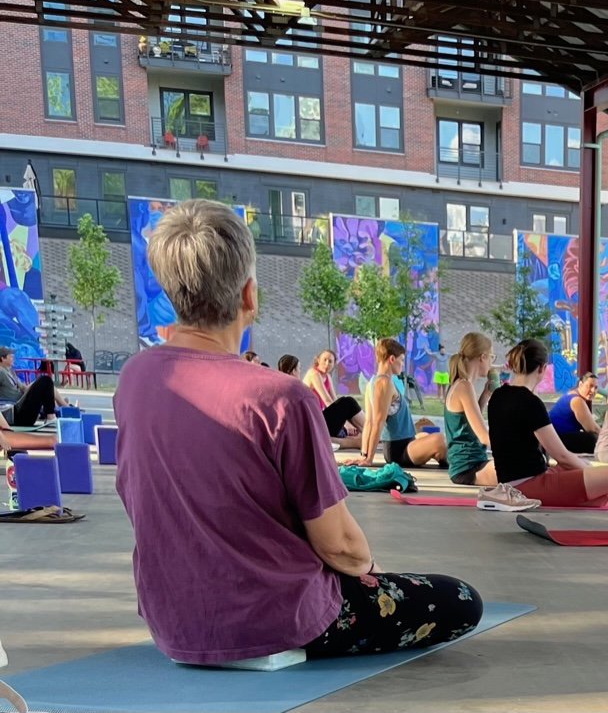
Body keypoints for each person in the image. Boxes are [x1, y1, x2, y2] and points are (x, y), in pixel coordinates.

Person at [113, 199, 482, 663]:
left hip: (173, 619)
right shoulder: (279, 397)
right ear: (249, 295)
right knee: (461, 599)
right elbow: (340, 545)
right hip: (278, 619)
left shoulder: (135, 379)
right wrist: (370, 575)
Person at [487, 339, 608, 509]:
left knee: (594, 484)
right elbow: (562, 456)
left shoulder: (498, 396)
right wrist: (588, 471)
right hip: (528, 485)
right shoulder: (530, 402)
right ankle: (583, 496)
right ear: (542, 368)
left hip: (512, 481)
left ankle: (584, 498)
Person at [353, 339, 448, 470]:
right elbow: (377, 423)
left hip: (404, 444)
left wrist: (364, 454)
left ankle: (441, 456)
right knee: (440, 440)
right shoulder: (384, 384)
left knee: (425, 436)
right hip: (400, 450)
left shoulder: (373, 382)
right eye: (401, 360)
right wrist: (368, 459)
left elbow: (369, 422)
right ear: (392, 359)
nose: (402, 364)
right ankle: (449, 461)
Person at [443, 333, 498, 487]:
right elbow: (484, 437)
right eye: (491, 357)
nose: (491, 364)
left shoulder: (461, 385)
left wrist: (486, 395)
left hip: (471, 464)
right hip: (468, 468)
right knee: (522, 469)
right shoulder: (464, 386)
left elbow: (468, 424)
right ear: (482, 357)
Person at [303, 350, 367, 439]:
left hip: (320, 418)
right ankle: (370, 431)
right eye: (324, 360)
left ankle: (368, 432)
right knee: (348, 402)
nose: (327, 364)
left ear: (334, 364)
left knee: (346, 402)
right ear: (318, 360)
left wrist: (345, 420)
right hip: (312, 421)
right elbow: (327, 400)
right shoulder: (314, 374)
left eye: (330, 361)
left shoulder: (327, 376)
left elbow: (334, 401)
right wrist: (346, 422)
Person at [0, 347, 72, 426]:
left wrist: (34, 387)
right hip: (15, 413)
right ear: (2, 358)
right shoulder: (1, 372)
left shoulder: (10, 371)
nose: (13, 358)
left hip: (22, 406)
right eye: (10, 356)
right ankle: (59, 410)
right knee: (45, 380)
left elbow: (23, 388)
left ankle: (61, 408)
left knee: (46, 383)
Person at [548, 374, 602, 454]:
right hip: (558, 440)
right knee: (593, 439)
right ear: (580, 384)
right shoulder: (577, 400)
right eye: (590, 386)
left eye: (596, 387)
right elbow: (592, 428)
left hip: (554, 438)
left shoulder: (571, 394)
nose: (593, 390)